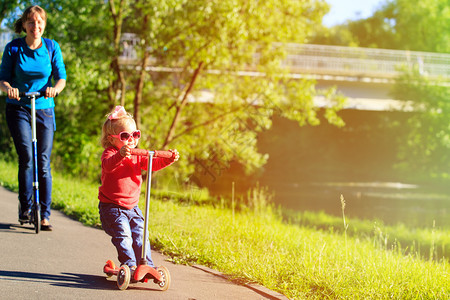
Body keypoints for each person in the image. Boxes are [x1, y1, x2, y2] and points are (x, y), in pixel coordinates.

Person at [0, 5, 66, 231]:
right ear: (25, 25)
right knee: (27, 157)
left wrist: (54, 89)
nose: (35, 26)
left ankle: (45, 214)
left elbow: (61, 78)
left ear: (44, 25)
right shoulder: (13, 48)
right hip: (19, 107)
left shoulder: (51, 47)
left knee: (44, 162)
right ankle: (26, 207)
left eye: (39, 22)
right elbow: (2, 78)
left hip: (44, 107)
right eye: (31, 22)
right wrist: (9, 89)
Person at [98, 105, 179, 271]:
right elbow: (108, 166)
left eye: (135, 135)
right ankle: (129, 265)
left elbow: (152, 164)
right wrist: (120, 155)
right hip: (112, 208)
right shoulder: (110, 153)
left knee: (142, 236)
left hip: (133, 208)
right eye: (125, 136)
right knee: (125, 237)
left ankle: (147, 265)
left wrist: (167, 159)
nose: (132, 140)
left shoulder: (136, 155)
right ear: (112, 139)